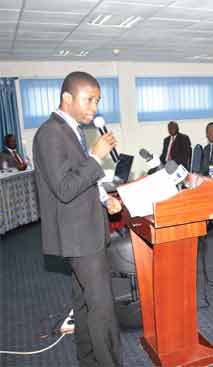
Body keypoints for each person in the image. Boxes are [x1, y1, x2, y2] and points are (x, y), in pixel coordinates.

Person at [32, 71, 123, 366]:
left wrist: (103, 198)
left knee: (84, 305)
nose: (94, 108)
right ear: (67, 98)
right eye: (89, 100)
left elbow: (79, 179)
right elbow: (64, 188)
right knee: (103, 310)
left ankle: (89, 361)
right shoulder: (50, 132)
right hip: (78, 236)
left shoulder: (73, 129)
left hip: (86, 230)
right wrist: (96, 157)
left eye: (97, 101)